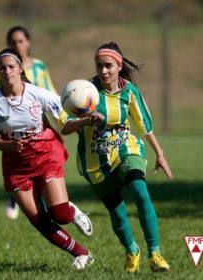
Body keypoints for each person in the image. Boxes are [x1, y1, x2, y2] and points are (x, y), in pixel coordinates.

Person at [60, 42, 173, 273]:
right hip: (95, 161)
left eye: (108, 66)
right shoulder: (83, 91)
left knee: (140, 192)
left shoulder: (130, 91)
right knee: (116, 210)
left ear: (119, 66)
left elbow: (143, 125)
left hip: (125, 148)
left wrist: (159, 153)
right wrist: (83, 121)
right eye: (99, 66)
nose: (103, 71)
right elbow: (65, 127)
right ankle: (132, 251)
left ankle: (155, 253)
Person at [0, 48, 94, 270]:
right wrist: (10, 145)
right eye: (2, 68)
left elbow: (64, 124)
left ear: (20, 69)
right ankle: (81, 253)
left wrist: (84, 121)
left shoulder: (38, 94)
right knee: (38, 220)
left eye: (11, 67)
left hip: (45, 155)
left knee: (60, 215)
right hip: (16, 165)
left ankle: (71, 211)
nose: (7, 71)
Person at [0, 25, 57, 220]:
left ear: (28, 42)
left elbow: (50, 91)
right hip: (14, 123)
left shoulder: (39, 66)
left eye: (21, 41)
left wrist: (60, 119)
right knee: (18, 159)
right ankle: (16, 196)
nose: (18, 45)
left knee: (42, 160)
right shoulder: (4, 68)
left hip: (37, 119)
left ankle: (43, 200)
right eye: (13, 42)